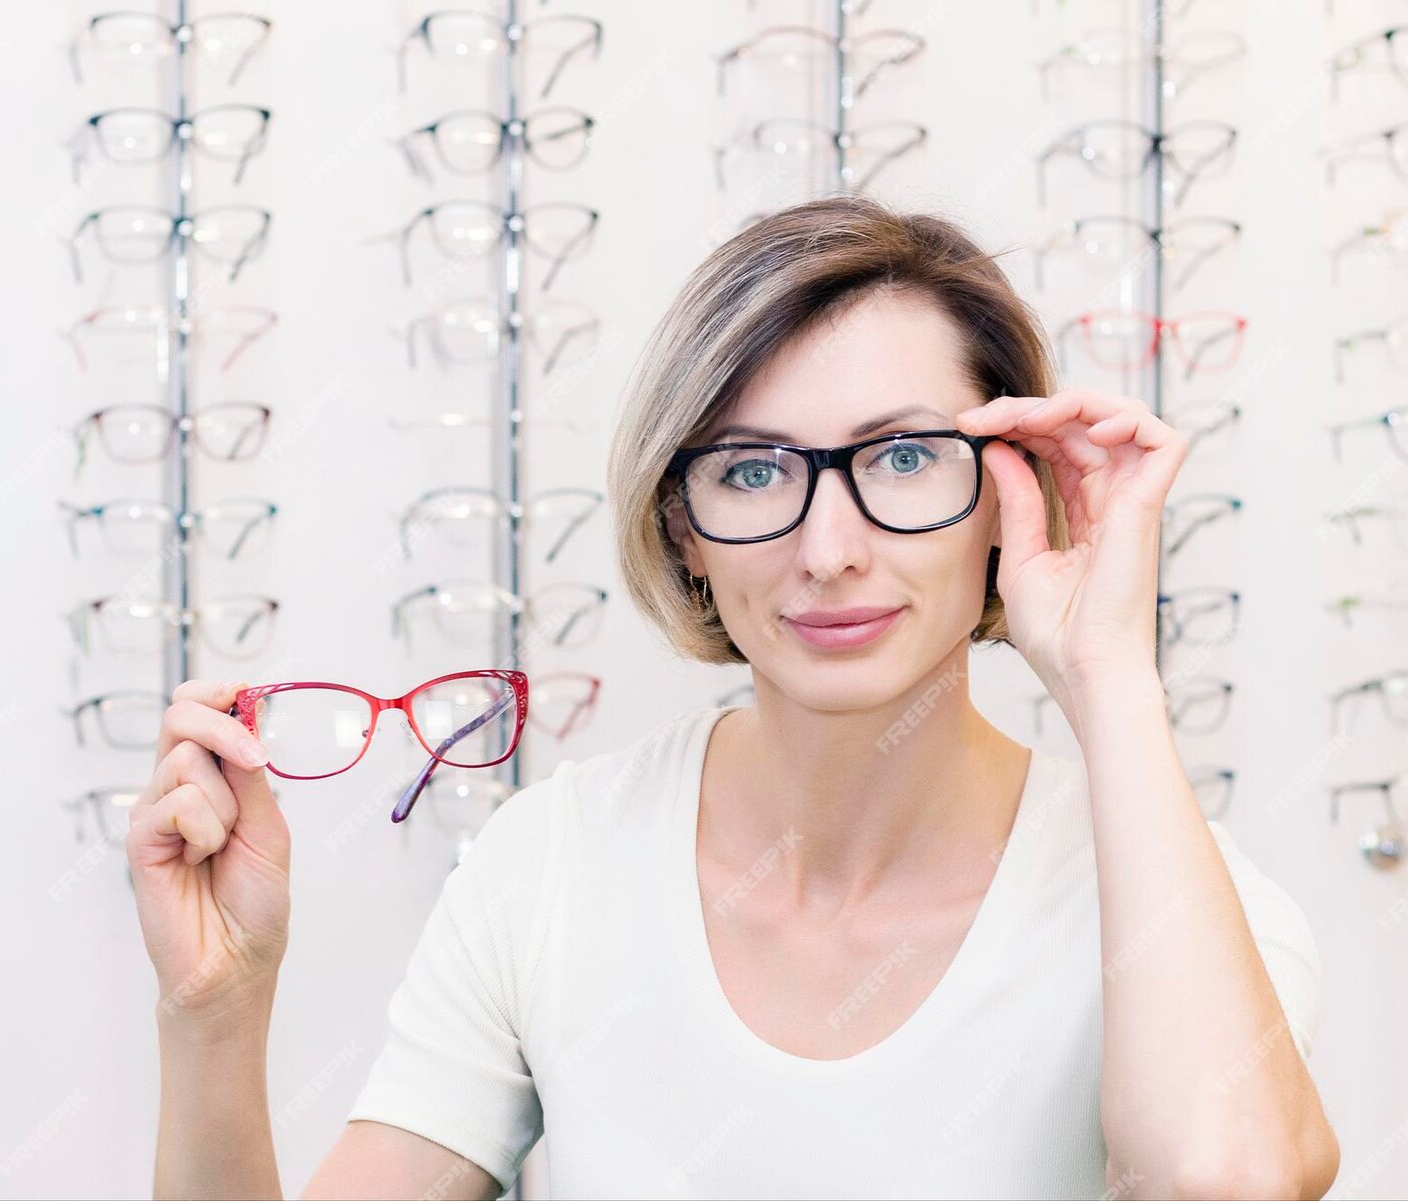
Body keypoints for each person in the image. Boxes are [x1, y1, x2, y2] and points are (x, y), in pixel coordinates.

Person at [128, 193, 1339, 1199]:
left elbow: (1223, 1178)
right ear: (682, 525)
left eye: (904, 458)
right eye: (754, 471)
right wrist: (215, 1012)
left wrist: (1110, 675)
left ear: (1006, 495)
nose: (828, 549)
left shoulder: (1177, 898)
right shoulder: (549, 866)